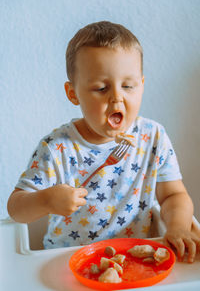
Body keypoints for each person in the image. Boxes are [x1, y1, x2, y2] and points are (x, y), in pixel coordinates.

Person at [7, 21, 200, 262]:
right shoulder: (57, 148)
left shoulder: (153, 137)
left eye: (128, 86)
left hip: (133, 258)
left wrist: (178, 226)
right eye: (101, 88)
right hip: (66, 261)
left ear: (142, 85)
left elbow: (173, 196)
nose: (117, 97)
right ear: (73, 93)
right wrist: (45, 200)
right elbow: (15, 209)